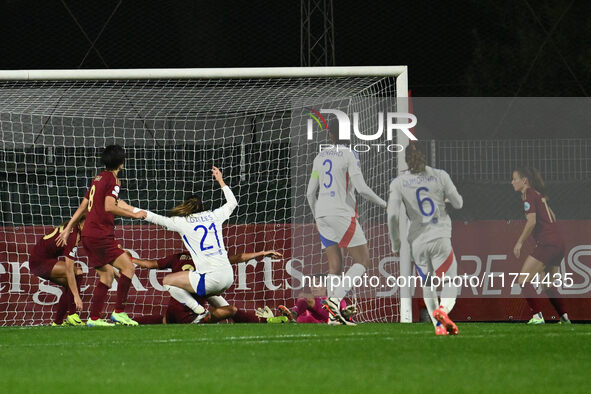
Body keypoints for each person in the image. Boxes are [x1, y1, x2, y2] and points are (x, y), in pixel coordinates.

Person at [57, 144, 146, 326]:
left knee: (106, 276)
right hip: (100, 234)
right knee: (128, 268)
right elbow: (109, 206)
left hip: (88, 235)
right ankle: (119, 312)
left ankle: (94, 318)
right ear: (121, 163)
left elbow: (83, 206)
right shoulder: (113, 180)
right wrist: (134, 215)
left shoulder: (97, 178)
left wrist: (68, 228)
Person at [306, 125, 387, 325]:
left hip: (322, 214)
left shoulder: (320, 157)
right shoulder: (350, 154)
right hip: (341, 213)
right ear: (348, 135)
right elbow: (362, 188)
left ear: (331, 135)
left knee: (335, 266)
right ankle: (335, 299)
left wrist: (317, 217)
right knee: (363, 261)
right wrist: (385, 204)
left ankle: (333, 318)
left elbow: (309, 193)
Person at [136, 166, 237, 324]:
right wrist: (220, 181)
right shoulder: (214, 215)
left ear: (187, 209)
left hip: (211, 279)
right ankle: (207, 318)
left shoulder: (182, 222)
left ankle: (199, 311)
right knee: (226, 307)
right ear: (203, 207)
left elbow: (156, 218)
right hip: (229, 276)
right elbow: (232, 203)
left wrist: (133, 210)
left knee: (168, 281)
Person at [388, 142, 463, 335]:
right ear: (426, 156)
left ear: (406, 159)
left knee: (427, 283)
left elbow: (393, 215)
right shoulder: (440, 175)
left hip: (417, 242)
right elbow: (459, 203)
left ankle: (438, 327)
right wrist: (446, 200)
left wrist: (395, 243)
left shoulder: (398, 182)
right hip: (439, 236)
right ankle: (443, 311)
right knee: (450, 282)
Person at [131, 250, 282, 324]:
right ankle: (265, 321)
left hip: (172, 313)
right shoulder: (208, 260)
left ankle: (128, 321)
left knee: (165, 319)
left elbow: (150, 264)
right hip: (190, 316)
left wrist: (129, 258)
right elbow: (237, 258)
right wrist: (261, 253)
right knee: (231, 310)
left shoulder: (178, 257)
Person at [511, 167, 570, 324]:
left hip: (547, 243)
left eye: (515, 179)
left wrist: (519, 242)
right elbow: (553, 216)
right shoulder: (539, 195)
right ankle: (564, 318)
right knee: (547, 285)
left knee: (523, 280)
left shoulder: (528, 194)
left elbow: (532, 222)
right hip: (558, 243)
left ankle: (537, 316)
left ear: (524, 181)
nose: (512, 182)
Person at [29, 217, 86, 326]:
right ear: (79, 223)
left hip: (41, 260)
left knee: (69, 283)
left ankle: (58, 322)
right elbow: (69, 270)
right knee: (77, 272)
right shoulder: (72, 235)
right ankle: (73, 315)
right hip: (40, 261)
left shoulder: (73, 229)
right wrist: (76, 296)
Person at [277, 275, 357, 324]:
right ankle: (292, 315)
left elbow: (344, 309)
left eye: (317, 283)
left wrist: (345, 313)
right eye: (312, 284)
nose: (314, 286)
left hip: (332, 319)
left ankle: (293, 314)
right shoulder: (304, 304)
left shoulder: (336, 298)